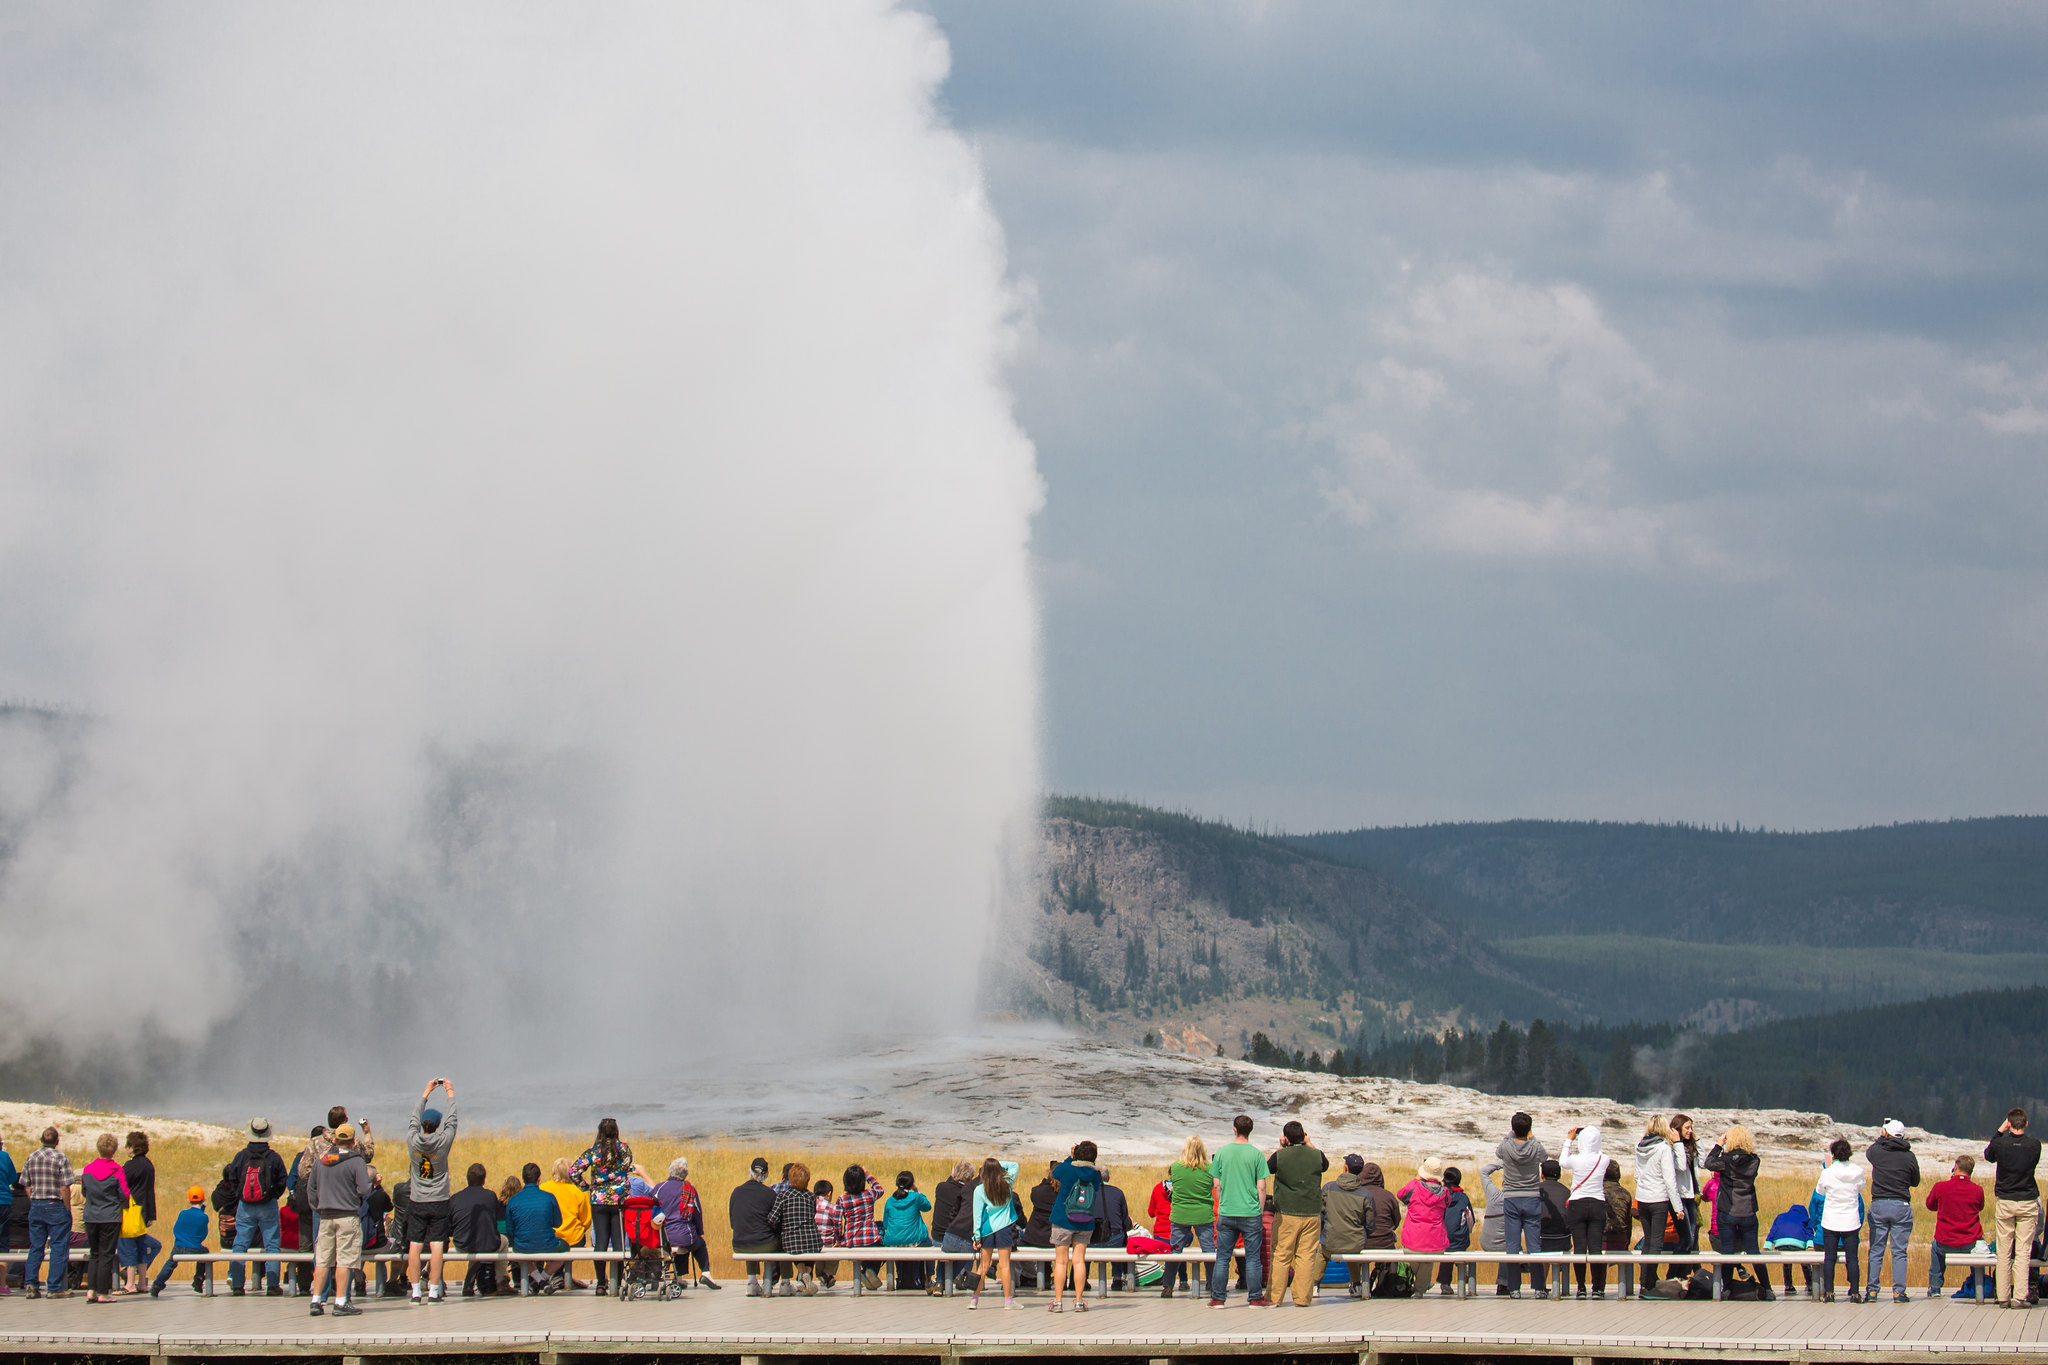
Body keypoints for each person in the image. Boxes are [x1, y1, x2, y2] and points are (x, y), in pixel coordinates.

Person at [305, 1122, 373, 1317]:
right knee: (345, 1260)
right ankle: (341, 1301)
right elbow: (364, 1189)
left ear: (335, 1140)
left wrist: (317, 1207)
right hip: (347, 1215)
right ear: (352, 1141)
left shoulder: (321, 1159)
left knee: (323, 1260)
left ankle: (316, 1300)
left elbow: (311, 1188)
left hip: (325, 1215)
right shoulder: (356, 1161)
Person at [405, 1077, 459, 1303]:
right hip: (438, 1200)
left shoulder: (412, 1140)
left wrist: (425, 1092)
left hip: (417, 1199)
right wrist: (450, 1093)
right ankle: (434, 1289)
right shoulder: (443, 1142)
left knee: (415, 1246)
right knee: (437, 1246)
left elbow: (413, 1118)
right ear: (437, 1125)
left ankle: (416, 1290)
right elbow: (453, 1121)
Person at [1703, 1124, 1771, 1300]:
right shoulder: (1754, 1160)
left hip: (1727, 1211)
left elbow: (1708, 1163)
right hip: (1748, 1211)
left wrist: (1718, 1146)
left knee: (1728, 1251)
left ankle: (1726, 1289)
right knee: (1754, 1252)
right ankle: (1767, 1288)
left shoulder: (1725, 1161)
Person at [1208, 1114, 1269, 1307]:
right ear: (1250, 1130)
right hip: (1250, 1212)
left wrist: (1223, 1201)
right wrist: (1259, 1209)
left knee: (1223, 1257)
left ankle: (1218, 1298)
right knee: (1252, 1258)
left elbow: (1216, 1184)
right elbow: (1261, 1187)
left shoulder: (1222, 1153)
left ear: (1234, 1129)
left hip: (1227, 1210)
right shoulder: (1256, 1154)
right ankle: (1255, 1297)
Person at [1266, 1120, 1327, 1308]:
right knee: (1306, 1256)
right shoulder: (1316, 1155)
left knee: (1281, 1254)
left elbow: (1267, 1168)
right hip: (1311, 1212)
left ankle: (1274, 1297)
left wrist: (1280, 1147)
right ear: (1304, 1135)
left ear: (1286, 1138)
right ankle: (1302, 1298)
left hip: (1286, 1212)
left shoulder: (1281, 1156)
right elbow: (1324, 1164)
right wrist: (1309, 1144)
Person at [226, 1116, 289, 1297]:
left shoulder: (240, 1156)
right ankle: (272, 1285)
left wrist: (241, 1195)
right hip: (268, 1204)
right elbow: (282, 1180)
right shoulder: (274, 1157)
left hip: (245, 1206)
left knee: (240, 1243)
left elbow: (232, 1177)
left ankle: (238, 1285)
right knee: (272, 1244)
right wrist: (272, 1195)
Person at [1985, 1107, 2041, 1308]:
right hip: (2026, 1200)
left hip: (2006, 1200)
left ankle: (2002, 1296)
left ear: (2009, 1124)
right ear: (2025, 1124)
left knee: (2004, 1251)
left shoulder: (2001, 1144)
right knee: (2023, 1251)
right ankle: (2019, 1296)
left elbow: (1988, 1155)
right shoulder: (2034, 1146)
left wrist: (2000, 1131)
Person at [570, 1117, 633, 1295]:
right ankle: (619, 1282)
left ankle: (600, 1283)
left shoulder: (593, 1152)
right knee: (619, 1241)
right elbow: (628, 1166)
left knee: (601, 1242)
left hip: (598, 1199)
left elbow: (573, 1171)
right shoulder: (624, 1150)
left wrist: (585, 1187)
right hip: (619, 1199)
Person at [1864, 1117, 1920, 1303]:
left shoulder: (1878, 1152)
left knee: (1876, 1250)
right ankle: (1898, 1292)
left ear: (1885, 1133)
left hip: (1880, 1203)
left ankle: (1872, 1291)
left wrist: (1882, 1136)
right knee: (1899, 1251)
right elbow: (1915, 1181)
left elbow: (1869, 1151)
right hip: (1900, 1205)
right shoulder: (1909, 1156)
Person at [1496, 1111, 1549, 1297]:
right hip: (1532, 1196)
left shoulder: (1506, 1145)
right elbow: (1545, 1157)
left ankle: (1514, 1288)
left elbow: (1498, 1151)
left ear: (1512, 1128)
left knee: (1512, 1245)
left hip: (1511, 1197)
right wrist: (1531, 1136)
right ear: (1529, 1129)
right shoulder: (1534, 1146)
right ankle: (1539, 1287)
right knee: (1534, 1245)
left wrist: (1512, 1133)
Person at [1048, 1141, 1104, 1312]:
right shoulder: (1095, 1174)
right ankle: (1079, 1301)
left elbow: (1055, 1172)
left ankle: (1058, 1302)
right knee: (1079, 1261)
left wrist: (1070, 1158)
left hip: (1062, 1218)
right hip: (1085, 1220)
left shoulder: (1067, 1169)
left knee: (1061, 1262)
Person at [1558, 1126, 1611, 1299]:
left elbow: (1562, 1162)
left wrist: (1569, 1139)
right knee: (1596, 1248)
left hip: (1577, 1204)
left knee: (1579, 1248)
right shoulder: (1604, 1159)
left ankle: (1581, 1287)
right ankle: (1598, 1288)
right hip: (1597, 1203)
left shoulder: (1575, 1159)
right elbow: (1598, 1150)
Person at [22, 1127, 75, 1299]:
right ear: (57, 1141)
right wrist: (67, 1208)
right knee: (59, 1247)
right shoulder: (60, 1158)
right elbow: (64, 1186)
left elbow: (26, 1183)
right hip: (55, 1204)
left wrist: (34, 1199)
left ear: (41, 1140)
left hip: (37, 1204)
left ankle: (31, 1284)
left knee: (36, 1246)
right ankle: (54, 1287)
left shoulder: (32, 1157)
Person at [78, 1134, 131, 1303]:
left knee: (94, 1254)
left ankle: (91, 1290)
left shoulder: (87, 1169)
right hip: (110, 1216)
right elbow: (124, 1194)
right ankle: (102, 1292)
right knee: (107, 1254)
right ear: (114, 1150)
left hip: (91, 1216)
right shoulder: (117, 1170)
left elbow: (84, 1192)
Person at [1926, 1154, 1987, 1300]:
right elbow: (1980, 1207)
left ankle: (1935, 1287)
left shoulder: (1941, 1187)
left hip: (1945, 1241)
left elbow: (1930, 1205)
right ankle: (1978, 1283)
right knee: (1981, 1245)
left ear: (1956, 1167)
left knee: (1935, 1247)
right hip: (1970, 1242)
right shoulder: (1977, 1190)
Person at [1815, 1137, 1868, 1303]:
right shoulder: (1857, 1171)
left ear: (1833, 1154)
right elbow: (1861, 1188)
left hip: (1831, 1220)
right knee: (1852, 1258)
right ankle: (1855, 1292)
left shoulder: (1827, 1172)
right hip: (1850, 1220)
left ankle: (1829, 1293)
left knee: (1829, 1257)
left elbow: (1820, 1191)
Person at [1631, 1115, 1678, 1297]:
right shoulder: (1663, 1148)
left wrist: (1643, 1189)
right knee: (1657, 1243)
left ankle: (1644, 1281)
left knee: (1648, 1240)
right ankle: (1649, 1284)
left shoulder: (1639, 1146)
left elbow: (1637, 1175)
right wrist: (1678, 1208)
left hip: (1643, 1198)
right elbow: (1669, 1179)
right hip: (1659, 1198)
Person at [504, 1163, 567, 1295]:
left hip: (522, 1246)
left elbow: (510, 1229)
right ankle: (542, 1280)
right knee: (565, 1248)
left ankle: (538, 1281)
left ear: (523, 1179)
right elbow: (558, 1223)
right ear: (539, 1178)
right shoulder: (549, 1197)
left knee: (519, 1256)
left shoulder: (513, 1200)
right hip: (547, 1244)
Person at [967, 1156, 1021, 1310]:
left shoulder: (979, 1189)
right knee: (1004, 1265)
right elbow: (1014, 1164)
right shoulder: (1007, 1183)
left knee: (983, 1265)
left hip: (987, 1229)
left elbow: (977, 1215)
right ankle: (1008, 1301)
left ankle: (974, 1300)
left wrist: (976, 1235)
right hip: (1004, 1228)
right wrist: (997, 1164)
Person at [1165, 1135, 1216, 1298]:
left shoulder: (1176, 1167)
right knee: (1208, 1250)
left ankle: (1168, 1285)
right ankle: (1213, 1284)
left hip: (1180, 1213)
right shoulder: (1210, 1168)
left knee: (1175, 1250)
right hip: (1203, 1214)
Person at [656, 1156, 717, 1289]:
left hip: (661, 1236)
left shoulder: (659, 1188)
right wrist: (699, 1231)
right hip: (683, 1234)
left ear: (670, 1171)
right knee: (697, 1242)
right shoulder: (689, 1189)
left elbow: (650, 1209)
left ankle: (678, 1277)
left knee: (680, 1239)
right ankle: (706, 1273)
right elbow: (697, 1214)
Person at [766, 1161, 823, 1296]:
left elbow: (772, 1219)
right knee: (810, 1247)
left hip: (791, 1240)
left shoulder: (783, 1196)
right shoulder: (811, 1197)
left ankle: (802, 1274)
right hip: (812, 1239)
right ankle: (806, 1274)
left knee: (796, 1246)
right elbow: (812, 1214)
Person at [1320, 1154, 1372, 1298]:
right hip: (1355, 1242)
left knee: (1323, 1252)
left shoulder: (1329, 1188)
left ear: (1345, 1168)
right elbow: (1370, 1223)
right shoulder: (1365, 1194)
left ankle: (1314, 1284)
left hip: (1331, 1240)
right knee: (1353, 1250)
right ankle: (1356, 1284)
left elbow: (1321, 1214)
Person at [450, 1161, 504, 1298]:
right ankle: (501, 1280)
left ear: (467, 1178)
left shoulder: (455, 1198)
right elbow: (494, 1218)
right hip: (486, 1243)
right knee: (504, 1242)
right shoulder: (490, 1196)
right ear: (484, 1179)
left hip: (462, 1243)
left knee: (477, 1243)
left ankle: (469, 1282)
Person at [1397, 1156, 1450, 1291]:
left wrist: (1417, 1179)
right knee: (1428, 1258)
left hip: (1412, 1241)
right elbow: (1448, 1203)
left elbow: (1401, 1195)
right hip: (1436, 1242)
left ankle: (1420, 1288)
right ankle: (1422, 1286)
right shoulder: (1444, 1193)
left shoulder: (1413, 1187)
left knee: (1417, 1255)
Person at [150, 1185, 211, 1297]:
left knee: (170, 1263)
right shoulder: (204, 1217)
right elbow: (203, 1234)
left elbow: (176, 1229)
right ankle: (198, 1278)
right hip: (195, 1248)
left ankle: (157, 1285)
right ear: (204, 1199)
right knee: (205, 1252)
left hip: (178, 1246)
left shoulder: (182, 1213)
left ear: (188, 1200)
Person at [731, 1157, 779, 1297]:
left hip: (740, 1243)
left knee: (749, 1233)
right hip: (765, 1244)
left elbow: (733, 1223)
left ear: (750, 1171)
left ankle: (752, 1282)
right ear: (766, 1175)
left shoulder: (736, 1192)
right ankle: (776, 1283)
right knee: (776, 1240)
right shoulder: (770, 1194)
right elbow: (775, 1223)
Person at [540, 1158, 591, 1289]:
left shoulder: (543, 1188)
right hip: (573, 1238)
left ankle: (555, 1275)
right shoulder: (579, 1191)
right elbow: (586, 1221)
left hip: (548, 1238)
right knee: (569, 1243)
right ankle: (557, 1275)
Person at [929, 1160, 978, 1296]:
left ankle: (939, 1282)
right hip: (955, 1236)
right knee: (967, 1247)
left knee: (945, 1252)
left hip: (937, 1236)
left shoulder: (941, 1187)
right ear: (969, 1178)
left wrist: (953, 1175)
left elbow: (949, 1184)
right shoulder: (967, 1192)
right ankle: (959, 1275)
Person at [118, 1130, 158, 1294]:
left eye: (128, 1146)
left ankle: (130, 1284)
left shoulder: (131, 1166)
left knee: (129, 1247)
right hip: (145, 1210)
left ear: (132, 1147)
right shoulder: (149, 1164)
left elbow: (120, 1186)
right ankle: (142, 1282)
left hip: (131, 1212)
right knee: (142, 1247)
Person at [881, 1170, 932, 1291]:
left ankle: (900, 1277)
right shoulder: (916, 1197)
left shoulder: (890, 1200)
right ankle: (929, 1278)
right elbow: (928, 1206)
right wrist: (918, 1191)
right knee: (930, 1244)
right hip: (914, 1241)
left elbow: (886, 1224)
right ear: (912, 1183)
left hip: (893, 1242)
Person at [1668, 1113, 1702, 1278]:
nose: (1690, 1131)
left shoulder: (1689, 1146)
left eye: (1691, 1128)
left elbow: (1703, 1162)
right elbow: (1680, 1166)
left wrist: (1697, 1141)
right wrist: (1677, 1142)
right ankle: (1672, 1276)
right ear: (1678, 1129)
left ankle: (1681, 1276)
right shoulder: (1671, 1147)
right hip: (1679, 1197)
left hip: (1691, 1196)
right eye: (1687, 1128)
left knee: (1691, 1238)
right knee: (1686, 1239)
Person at [1091, 1167, 1135, 1288]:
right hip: (1113, 1238)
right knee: (1120, 1238)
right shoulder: (1118, 1192)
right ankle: (1117, 1277)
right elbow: (1124, 1218)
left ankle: (1082, 1279)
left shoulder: (1089, 1191)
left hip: (1092, 1238)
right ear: (1108, 1178)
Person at [1440, 1167, 1475, 1297]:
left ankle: (1445, 1283)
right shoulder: (1463, 1198)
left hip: (1441, 1238)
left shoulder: (1440, 1195)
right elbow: (1471, 1219)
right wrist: (1467, 1233)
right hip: (1460, 1239)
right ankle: (1464, 1270)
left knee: (1446, 1251)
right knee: (1459, 1247)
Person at [1537, 1158, 1571, 1288]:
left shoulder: (1536, 1190)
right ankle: (1562, 1287)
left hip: (1541, 1238)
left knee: (1544, 1252)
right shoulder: (1566, 1191)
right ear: (1560, 1175)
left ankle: (1541, 1286)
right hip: (1562, 1239)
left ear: (1542, 1175)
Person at [1022, 1162, 1058, 1249]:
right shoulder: (1064, 1195)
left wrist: (1046, 1182)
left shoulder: (1037, 1192)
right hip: (1056, 1239)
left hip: (1034, 1238)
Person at [1478, 1162, 1507, 1256]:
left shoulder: (1494, 1195)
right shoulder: (1518, 1200)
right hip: (1506, 1246)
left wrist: (1503, 1163)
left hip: (1486, 1244)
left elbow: (1483, 1171)